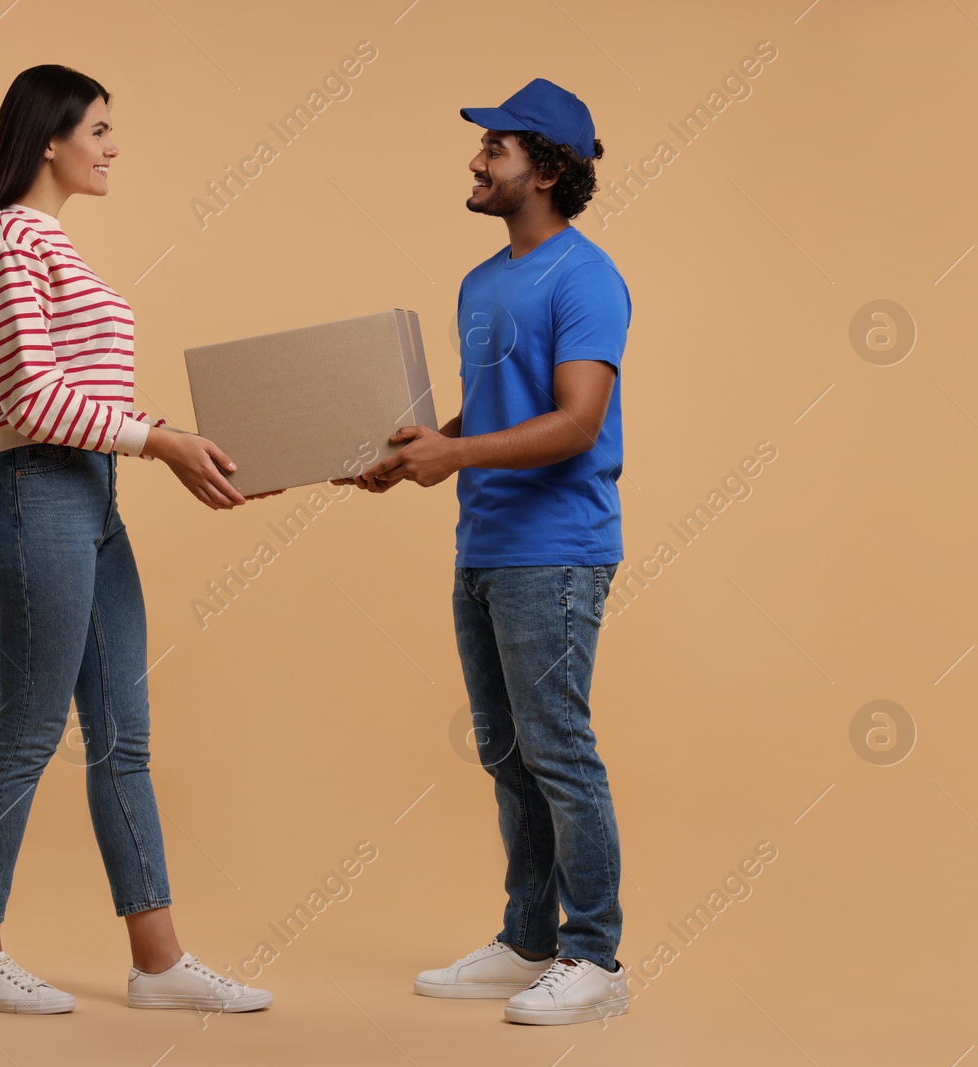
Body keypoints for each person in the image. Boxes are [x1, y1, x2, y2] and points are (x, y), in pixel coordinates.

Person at [0, 64, 276, 1016]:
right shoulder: (11, 239)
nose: (111, 145)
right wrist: (160, 440)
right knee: (30, 728)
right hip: (36, 494)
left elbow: (79, 396)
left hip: (88, 495)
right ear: (48, 138)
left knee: (122, 739)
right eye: (97, 128)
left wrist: (163, 435)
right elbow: (31, 400)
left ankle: (159, 962)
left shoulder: (47, 242)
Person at [336, 77, 632, 1026]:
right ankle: (529, 939)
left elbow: (578, 423)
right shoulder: (481, 281)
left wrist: (452, 454)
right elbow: (500, 415)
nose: (475, 160)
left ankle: (595, 958)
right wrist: (412, 454)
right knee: (506, 753)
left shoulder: (586, 277)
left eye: (495, 148)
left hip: (556, 551)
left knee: (558, 751)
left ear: (544, 170)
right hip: (486, 546)